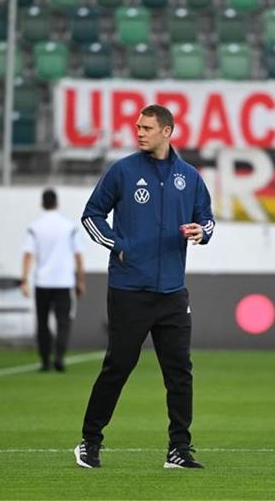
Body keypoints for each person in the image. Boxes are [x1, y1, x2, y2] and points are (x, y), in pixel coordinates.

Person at [74, 104, 215, 470]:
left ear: (167, 131)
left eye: (147, 128)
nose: (139, 132)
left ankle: (179, 449)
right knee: (118, 366)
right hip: (129, 290)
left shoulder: (190, 177)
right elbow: (91, 216)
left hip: (172, 292)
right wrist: (118, 245)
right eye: (137, 126)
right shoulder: (122, 171)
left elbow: (207, 220)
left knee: (180, 372)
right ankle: (90, 441)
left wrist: (202, 232)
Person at [20, 188, 86, 372]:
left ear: (42, 204)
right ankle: (60, 357)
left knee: (42, 322)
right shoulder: (69, 226)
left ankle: (44, 360)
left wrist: (24, 280)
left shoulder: (35, 227)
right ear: (57, 203)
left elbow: (28, 254)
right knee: (63, 322)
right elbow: (78, 255)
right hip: (64, 282)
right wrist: (80, 280)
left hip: (42, 282)